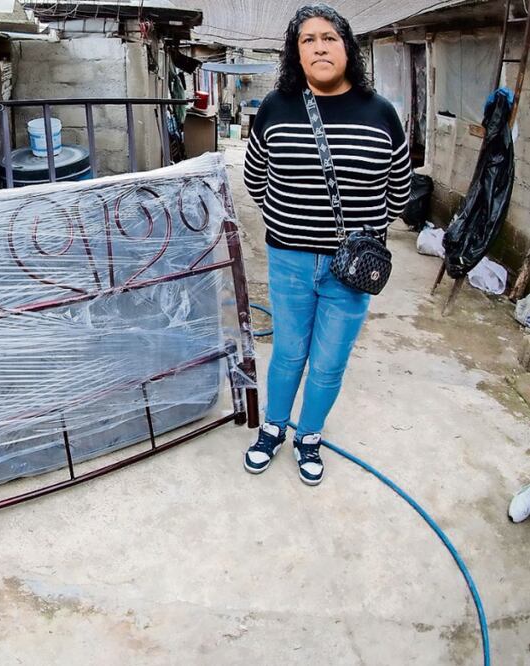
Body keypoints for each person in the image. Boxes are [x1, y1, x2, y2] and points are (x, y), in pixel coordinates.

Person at [241, 4, 411, 485]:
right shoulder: (276, 105)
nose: (319, 46)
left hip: (351, 268)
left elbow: (399, 188)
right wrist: (287, 223)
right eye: (308, 39)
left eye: (329, 37)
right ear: (296, 53)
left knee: (329, 361)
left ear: (347, 48)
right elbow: (255, 177)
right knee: (290, 351)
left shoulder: (380, 113)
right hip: (289, 259)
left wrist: (364, 234)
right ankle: (273, 428)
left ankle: (308, 436)